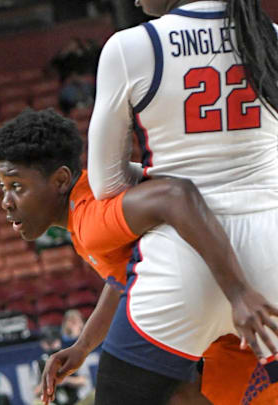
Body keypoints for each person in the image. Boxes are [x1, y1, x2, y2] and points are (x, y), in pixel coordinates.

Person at [0, 108, 277, 404]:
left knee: (164, 391)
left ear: (60, 181)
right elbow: (125, 277)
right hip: (226, 326)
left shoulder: (91, 219)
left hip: (236, 297)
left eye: (17, 187)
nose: (6, 202)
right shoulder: (85, 208)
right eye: (4, 188)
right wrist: (84, 345)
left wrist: (239, 293)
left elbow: (174, 196)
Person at [86, 0, 278, 403]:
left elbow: (107, 186)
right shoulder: (271, 36)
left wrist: (161, 183)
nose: (135, 0)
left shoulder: (130, 47)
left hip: (181, 258)